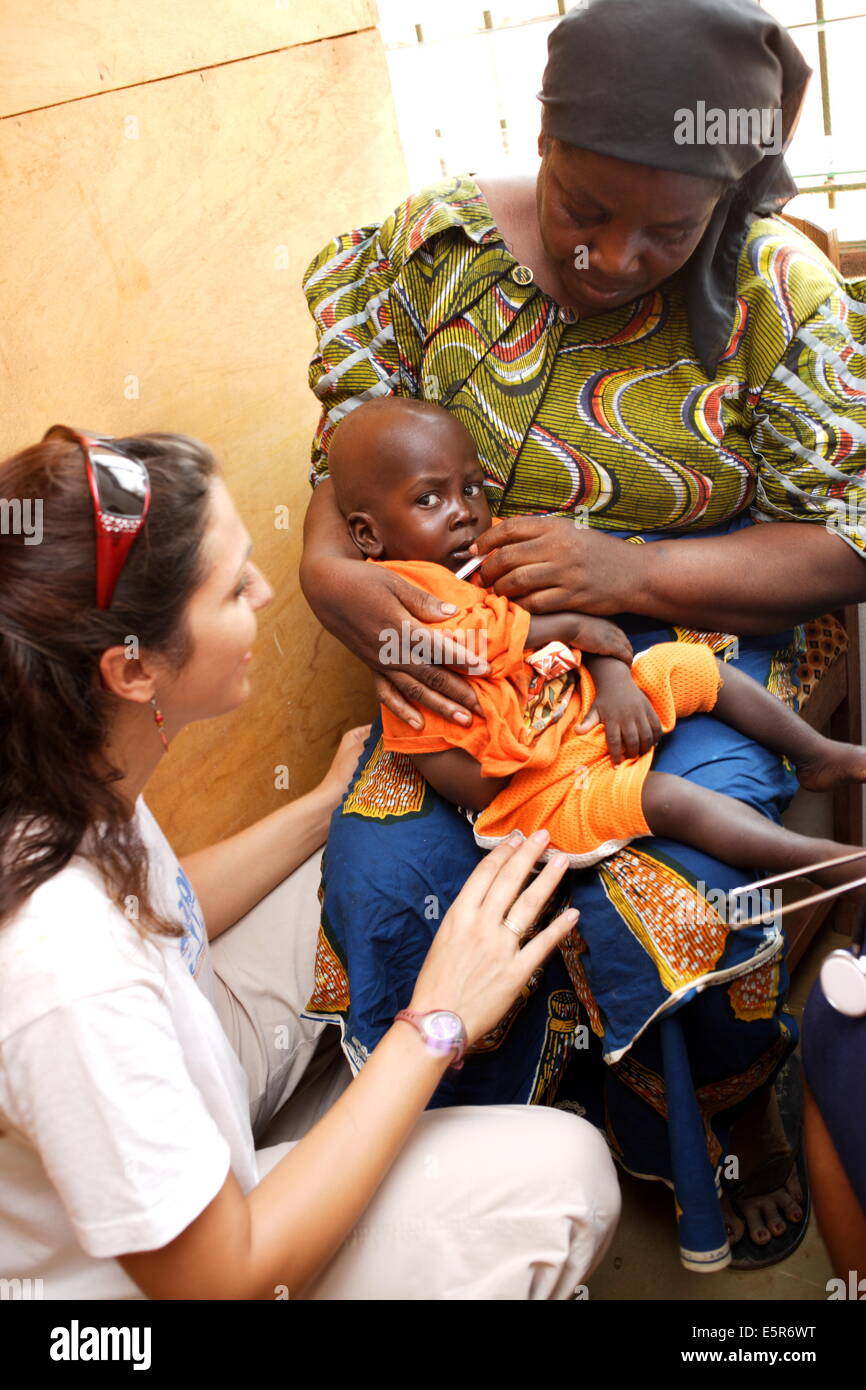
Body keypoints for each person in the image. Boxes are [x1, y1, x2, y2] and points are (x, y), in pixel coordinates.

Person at [299, 0, 866, 1271]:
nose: (613, 258)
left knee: (674, 881)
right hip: (477, 662)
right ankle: (474, 1138)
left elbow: (846, 537)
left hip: (709, 632)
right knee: (386, 871)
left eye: (669, 231)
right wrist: (325, 573)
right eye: (582, 210)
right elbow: (343, 458)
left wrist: (634, 571)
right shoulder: (429, 251)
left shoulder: (779, 289)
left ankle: (719, 1124)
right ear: (541, 140)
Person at [0, 424, 621, 1301]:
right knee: (567, 1175)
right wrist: (436, 1023)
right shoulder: (66, 975)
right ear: (132, 670)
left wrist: (323, 806)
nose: (263, 593)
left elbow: (160, 908)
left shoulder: (57, 755)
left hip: (172, 1070)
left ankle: (327, 1123)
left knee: (350, 865)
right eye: (230, 589)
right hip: (173, 1285)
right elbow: (223, 1280)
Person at [328, 395, 866, 882]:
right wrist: (557, 653)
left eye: (470, 488)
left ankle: (817, 755)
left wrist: (614, 688)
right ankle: (816, 861)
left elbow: (592, 628)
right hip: (537, 790)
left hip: (587, 708)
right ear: (369, 534)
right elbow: (472, 772)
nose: (463, 512)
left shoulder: (488, 561)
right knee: (672, 801)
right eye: (428, 500)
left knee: (691, 666)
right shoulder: (399, 621)